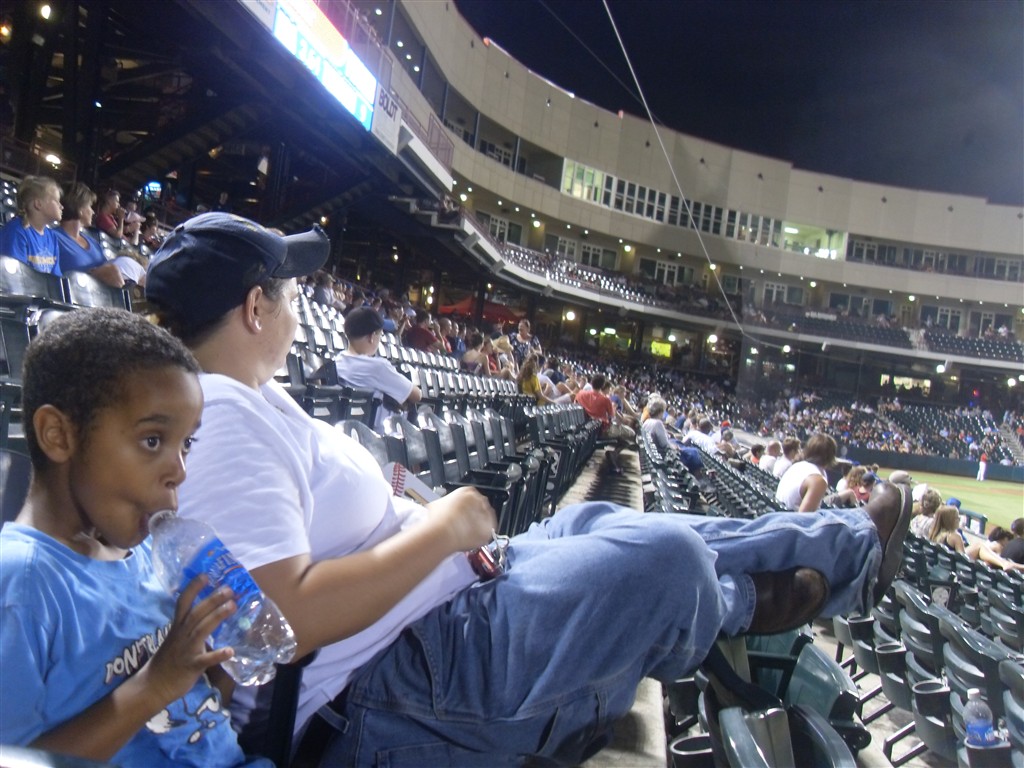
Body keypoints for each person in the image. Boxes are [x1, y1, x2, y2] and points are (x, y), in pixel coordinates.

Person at [144, 212, 914, 766]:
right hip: (391, 685)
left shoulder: (254, 399)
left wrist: (443, 535)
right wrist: (442, 531)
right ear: (255, 308)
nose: (299, 300)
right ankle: (753, 602)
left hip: (447, 609)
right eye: (287, 289)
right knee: (666, 561)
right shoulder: (221, 415)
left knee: (607, 521)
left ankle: (844, 550)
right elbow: (283, 618)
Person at [0, 308, 267, 767]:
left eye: (186, 444)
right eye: (152, 441)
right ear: (58, 435)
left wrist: (222, 645)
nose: (179, 471)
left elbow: (198, 712)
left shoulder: (145, 553)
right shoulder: (21, 585)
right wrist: (153, 686)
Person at [334, 306, 421, 432]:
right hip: (378, 435)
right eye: (380, 334)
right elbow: (416, 395)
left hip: (347, 430)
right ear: (372, 336)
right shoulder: (378, 367)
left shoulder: (337, 361)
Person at [54, 182, 125, 288]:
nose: (93, 212)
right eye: (90, 207)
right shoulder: (53, 238)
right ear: (80, 209)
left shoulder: (93, 243)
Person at [775, 434, 857, 512]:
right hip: (790, 519)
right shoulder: (818, 480)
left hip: (779, 513)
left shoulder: (797, 465)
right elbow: (804, 517)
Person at [0, 175, 63, 275]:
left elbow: (56, 278)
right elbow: (13, 276)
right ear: (38, 204)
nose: (61, 206)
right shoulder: (16, 231)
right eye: (57, 201)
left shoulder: (52, 237)